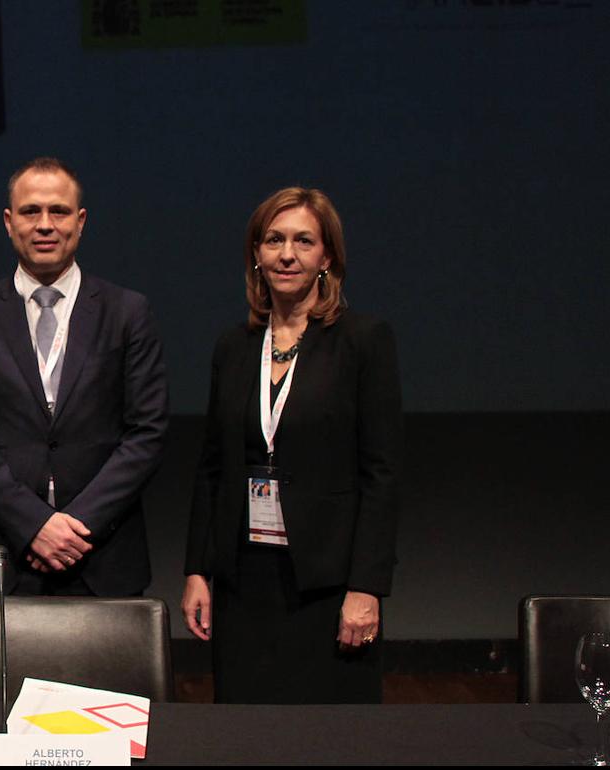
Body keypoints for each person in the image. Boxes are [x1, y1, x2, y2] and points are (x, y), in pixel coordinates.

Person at [181, 187, 401, 704]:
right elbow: (212, 467)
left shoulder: (363, 340)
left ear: (327, 257)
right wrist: (197, 569)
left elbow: (382, 473)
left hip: (327, 583)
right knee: (247, 733)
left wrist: (367, 588)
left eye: (304, 241)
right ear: (256, 254)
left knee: (330, 738)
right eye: (274, 240)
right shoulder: (234, 347)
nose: (287, 254)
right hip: (243, 582)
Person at [0, 157, 168, 596]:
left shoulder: (127, 312)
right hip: (4, 553)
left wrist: (75, 527)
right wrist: (34, 523)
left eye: (58, 211)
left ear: (80, 222)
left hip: (101, 553)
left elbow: (148, 433)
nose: (45, 224)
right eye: (30, 211)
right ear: (9, 222)